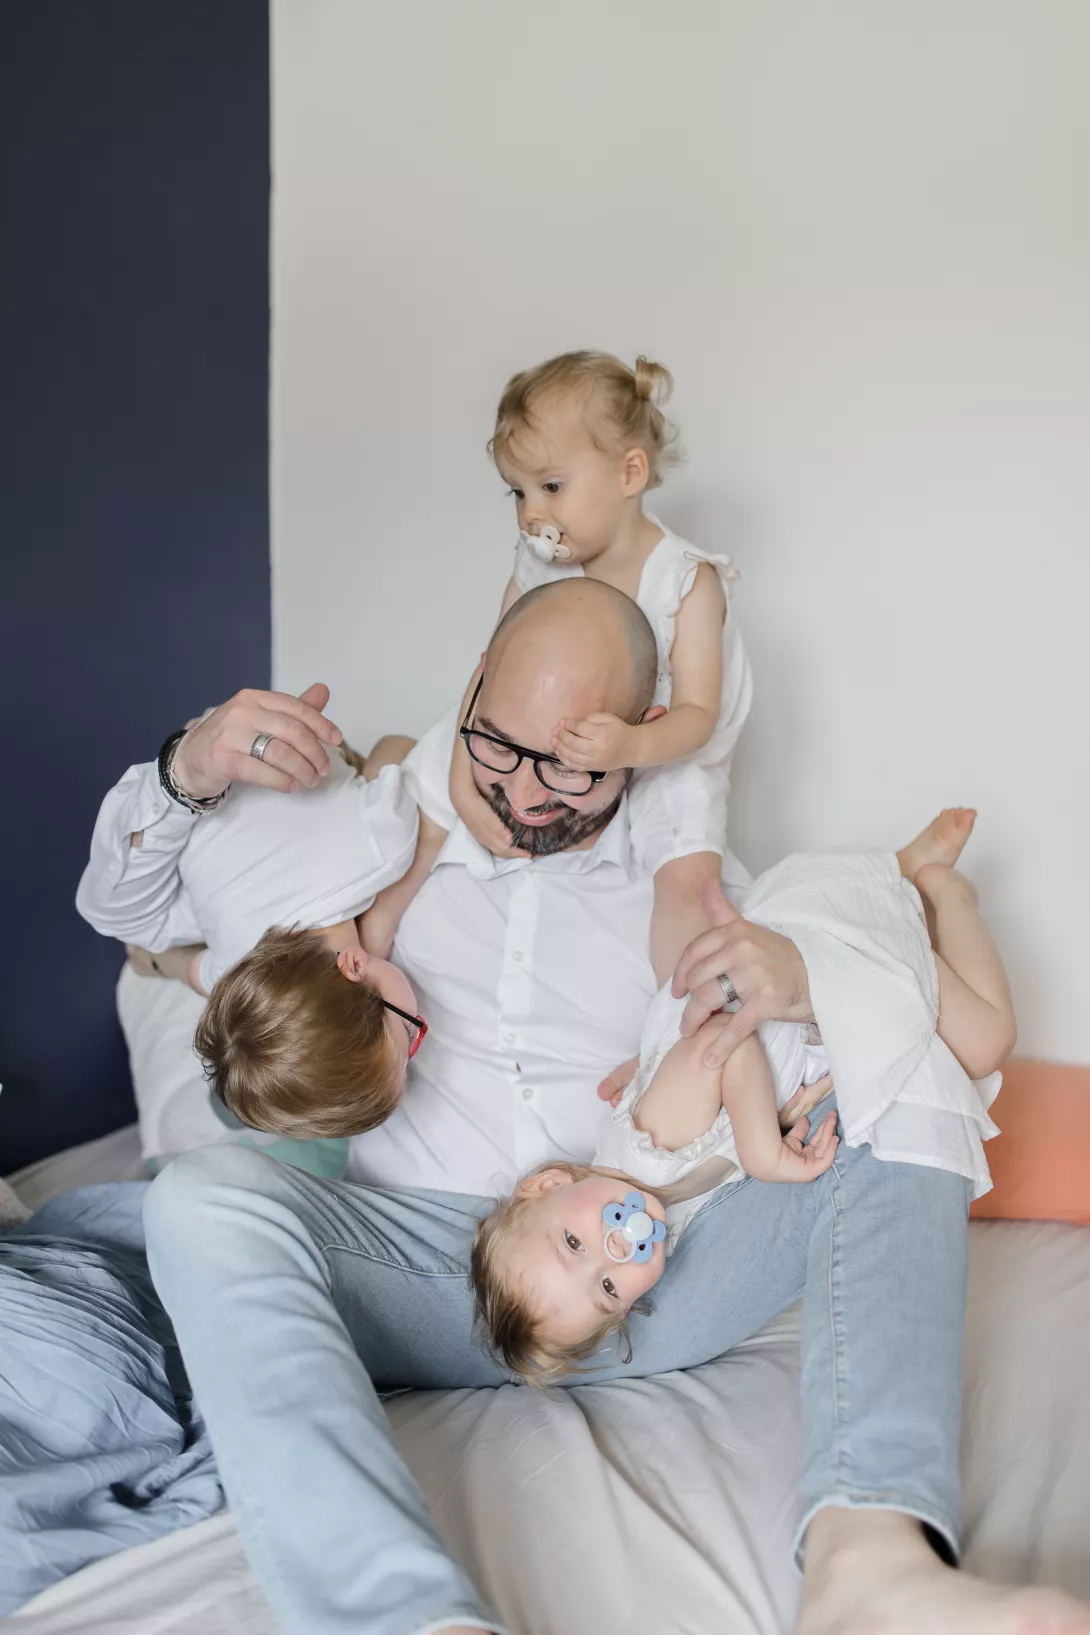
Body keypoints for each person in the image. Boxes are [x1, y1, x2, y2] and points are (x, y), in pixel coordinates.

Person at [133, 579, 1089, 1635]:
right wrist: (187, 767)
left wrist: (809, 986)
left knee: (899, 1070)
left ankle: (870, 1561)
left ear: (640, 738)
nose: (528, 792)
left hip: (654, 1267)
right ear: (473, 690)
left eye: (573, 763)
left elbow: (811, 1040)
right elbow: (131, 917)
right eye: (499, 745)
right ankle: (403, 1620)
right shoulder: (363, 840)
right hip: (421, 1269)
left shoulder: (694, 889)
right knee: (204, 1193)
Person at [472, 811, 1015, 1381]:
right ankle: (904, 877)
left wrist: (763, 1151)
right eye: (607, 1288)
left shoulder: (648, 1148)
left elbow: (721, 1046)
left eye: (575, 1244)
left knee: (986, 1042)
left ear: (549, 1183)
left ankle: (942, 895)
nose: (614, 1247)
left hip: (812, 961)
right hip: (808, 997)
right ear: (627, 1308)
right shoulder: (661, 1193)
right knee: (952, 1038)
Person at [367, 350, 754, 983]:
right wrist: (463, 783)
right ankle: (377, 928)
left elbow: (698, 718)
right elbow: (495, 667)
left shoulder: (687, 582)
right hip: (556, 739)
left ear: (630, 473)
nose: (531, 513)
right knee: (429, 776)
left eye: (550, 487)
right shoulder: (540, 563)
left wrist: (632, 745)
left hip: (665, 748)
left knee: (686, 878)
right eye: (516, 491)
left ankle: (674, 1016)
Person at [76, 711, 425, 1137]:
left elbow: (396, 743)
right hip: (226, 753)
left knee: (153, 928)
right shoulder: (237, 969)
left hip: (281, 734)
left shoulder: (384, 849)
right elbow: (197, 973)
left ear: (354, 966)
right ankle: (148, 956)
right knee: (151, 932)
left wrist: (358, 770)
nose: (416, 1032)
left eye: (409, 1032)